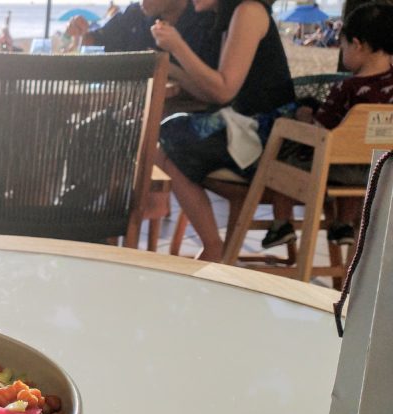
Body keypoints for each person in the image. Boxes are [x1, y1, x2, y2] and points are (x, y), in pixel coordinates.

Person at [151, 0, 295, 261]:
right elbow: (213, 93)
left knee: (169, 136)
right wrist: (169, 66)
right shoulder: (232, 16)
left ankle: (213, 247)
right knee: (168, 142)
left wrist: (177, 46)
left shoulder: (249, 11)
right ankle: (213, 246)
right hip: (247, 125)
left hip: (269, 136)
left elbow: (223, 89)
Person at [262, 2, 393, 249]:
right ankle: (343, 223)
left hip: (333, 167)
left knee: (286, 152)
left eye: (342, 46)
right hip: (379, 170)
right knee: (354, 160)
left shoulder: (346, 88)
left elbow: (321, 130)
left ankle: (281, 223)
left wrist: (302, 119)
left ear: (357, 44)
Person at [65, 0, 216, 63]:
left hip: (184, 116)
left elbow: (214, 91)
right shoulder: (134, 15)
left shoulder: (207, 19)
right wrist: (78, 32)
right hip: (131, 110)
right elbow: (93, 42)